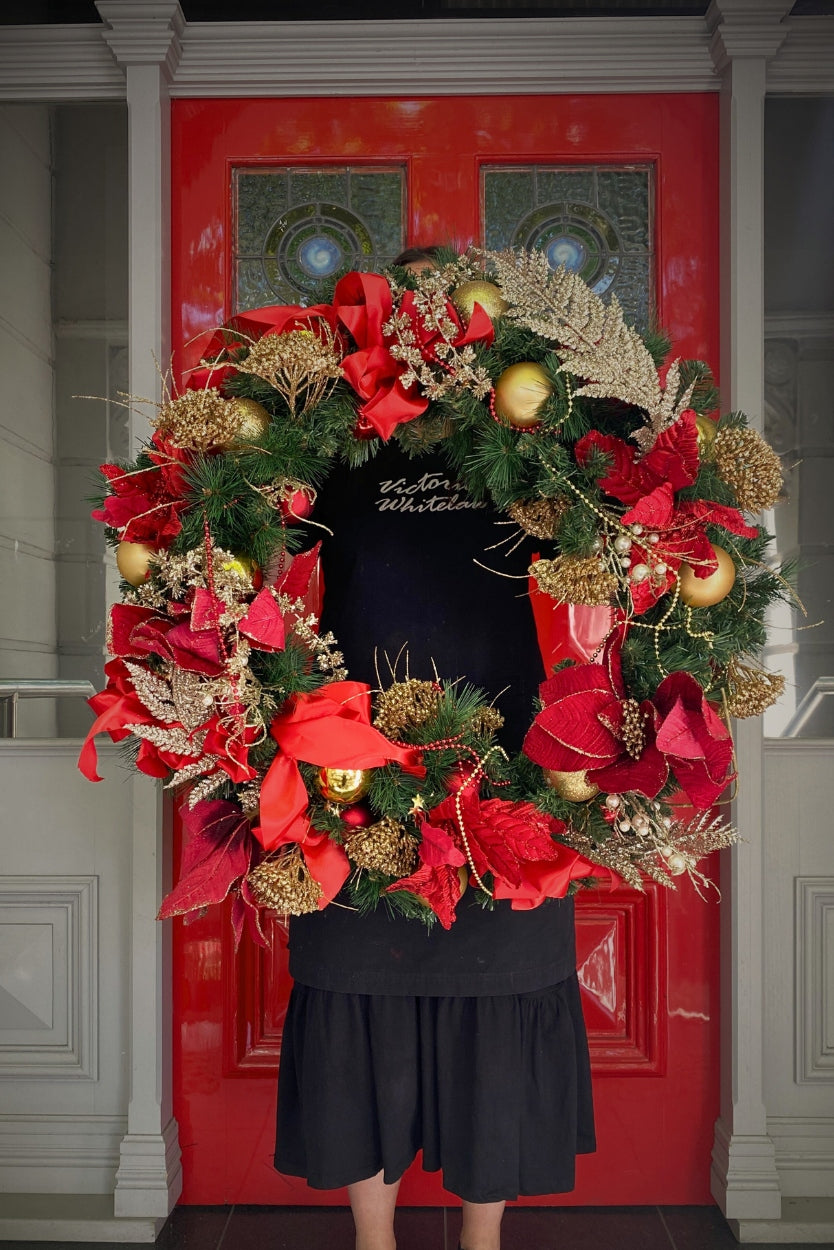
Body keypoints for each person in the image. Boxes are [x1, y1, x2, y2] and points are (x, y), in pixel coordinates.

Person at [273, 249, 595, 1250]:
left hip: (513, 788)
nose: (427, 340)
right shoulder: (338, 452)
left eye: (450, 320)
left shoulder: (542, 449)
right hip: (353, 788)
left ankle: (480, 1239)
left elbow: (616, 569)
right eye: (407, 319)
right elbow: (259, 563)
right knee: (356, 1007)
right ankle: (375, 1240)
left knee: (498, 1015)